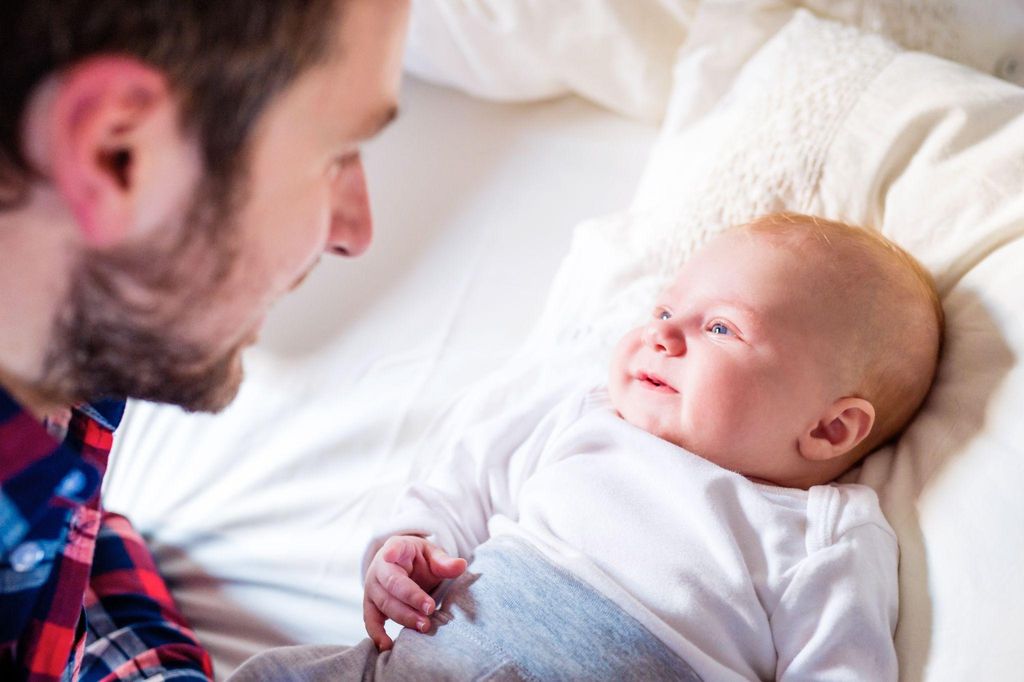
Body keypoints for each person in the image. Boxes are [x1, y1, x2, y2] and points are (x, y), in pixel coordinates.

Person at [231, 212, 944, 680]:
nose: (662, 334)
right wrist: (408, 549)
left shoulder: (820, 531)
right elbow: (460, 487)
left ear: (830, 429)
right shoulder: (586, 417)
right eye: (665, 310)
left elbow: (842, 667)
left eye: (721, 328)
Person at [0, 0, 409, 679]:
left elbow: (66, 560)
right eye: (336, 153)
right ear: (117, 154)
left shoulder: (58, 354)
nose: (356, 232)